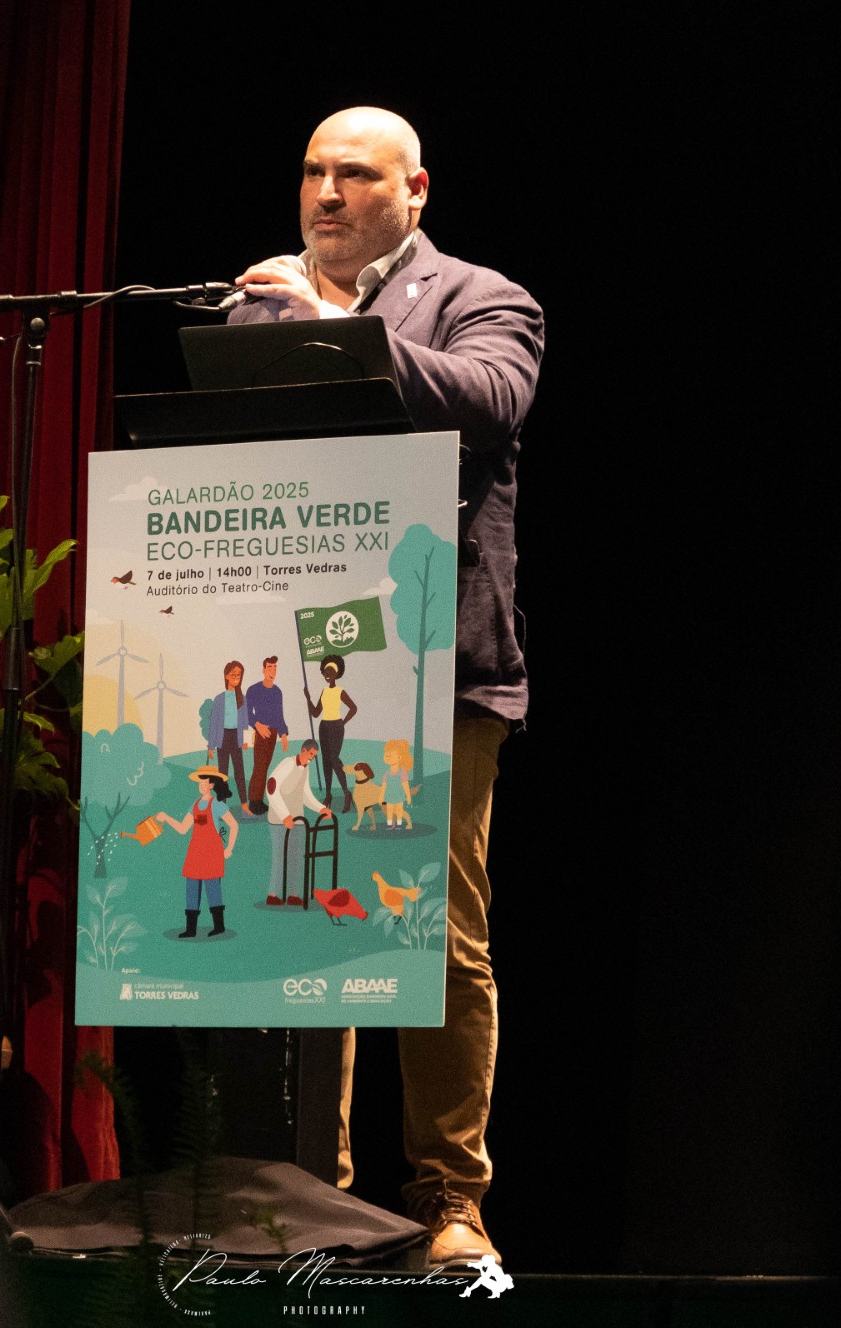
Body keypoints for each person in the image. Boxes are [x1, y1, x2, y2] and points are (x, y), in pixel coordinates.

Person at [230, 106, 544, 1267]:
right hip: (292, 657)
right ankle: (312, 1195)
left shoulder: (482, 297)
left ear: (415, 190)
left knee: (436, 936)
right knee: (308, 918)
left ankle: (450, 1199)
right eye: (313, 170)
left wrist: (328, 329)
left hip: (435, 664)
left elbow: (486, 401)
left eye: (355, 173)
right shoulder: (255, 306)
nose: (326, 192)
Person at [156, 765, 238, 937]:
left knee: (213, 889)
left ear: (212, 785)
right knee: (192, 889)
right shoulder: (194, 805)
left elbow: (233, 824)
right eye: (200, 783)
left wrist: (229, 848)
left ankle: (219, 926)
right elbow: (182, 829)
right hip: (195, 853)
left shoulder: (217, 804)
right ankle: (190, 929)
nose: (201, 785)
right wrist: (166, 817)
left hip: (212, 853)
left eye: (205, 783)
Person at [264, 738, 332, 906]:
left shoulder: (305, 769)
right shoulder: (287, 764)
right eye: (310, 754)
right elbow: (271, 788)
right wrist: (284, 815)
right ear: (303, 750)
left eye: (314, 756)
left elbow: (305, 794)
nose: (311, 758)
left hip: (298, 820)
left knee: (297, 857)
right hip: (280, 821)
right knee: (280, 857)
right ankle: (273, 894)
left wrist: (320, 808)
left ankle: (293, 894)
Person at [303, 653, 357, 814]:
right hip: (324, 727)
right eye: (325, 672)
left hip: (336, 727)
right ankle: (328, 795)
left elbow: (353, 708)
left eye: (330, 672)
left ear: (336, 673)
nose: (327, 674)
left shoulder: (340, 691)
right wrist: (308, 698)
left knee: (334, 759)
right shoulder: (324, 692)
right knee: (326, 761)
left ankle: (347, 793)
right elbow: (315, 713)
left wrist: (343, 722)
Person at [205, 660, 251, 816]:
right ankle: (222, 806)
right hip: (222, 738)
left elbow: (245, 721)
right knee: (222, 773)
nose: (236, 677)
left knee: (239, 772)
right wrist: (211, 746)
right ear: (226, 676)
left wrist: (245, 740)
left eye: (239, 674)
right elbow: (214, 723)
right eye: (233, 674)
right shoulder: (219, 699)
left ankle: (244, 804)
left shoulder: (242, 698)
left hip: (236, 737)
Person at [245, 654, 289, 814]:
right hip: (260, 732)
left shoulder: (277, 692)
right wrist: (257, 725)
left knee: (265, 766)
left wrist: (283, 734)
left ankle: (258, 800)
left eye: (275, 667)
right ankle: (254, 801)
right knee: (259, 766)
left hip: (273, 732)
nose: (273, 670)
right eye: (270, 667)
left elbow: (279, 715)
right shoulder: (253, 690)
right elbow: (247, 713)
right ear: (264, 670)